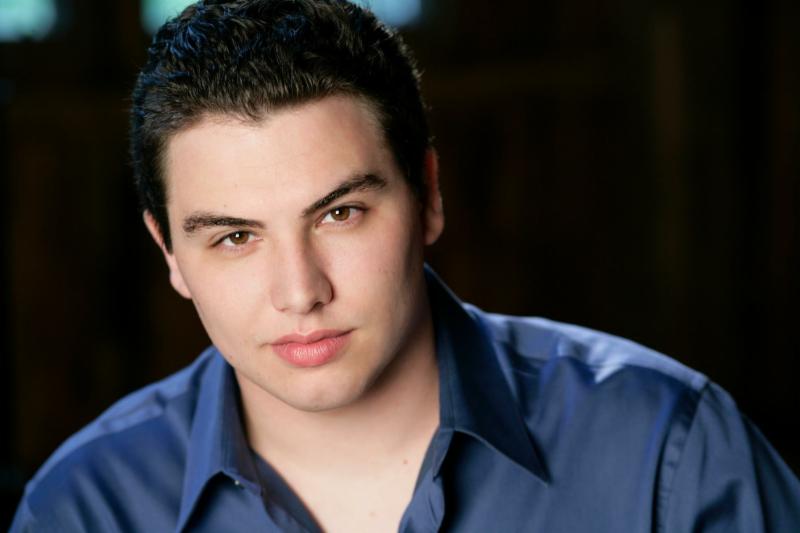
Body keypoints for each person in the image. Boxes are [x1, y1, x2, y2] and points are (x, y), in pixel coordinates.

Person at [11, 0, 800, 531]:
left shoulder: (672, 453)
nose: (300, 291)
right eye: (235, 237)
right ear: (170, 254)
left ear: (427, 195)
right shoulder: (84, 509)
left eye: (340, 213)